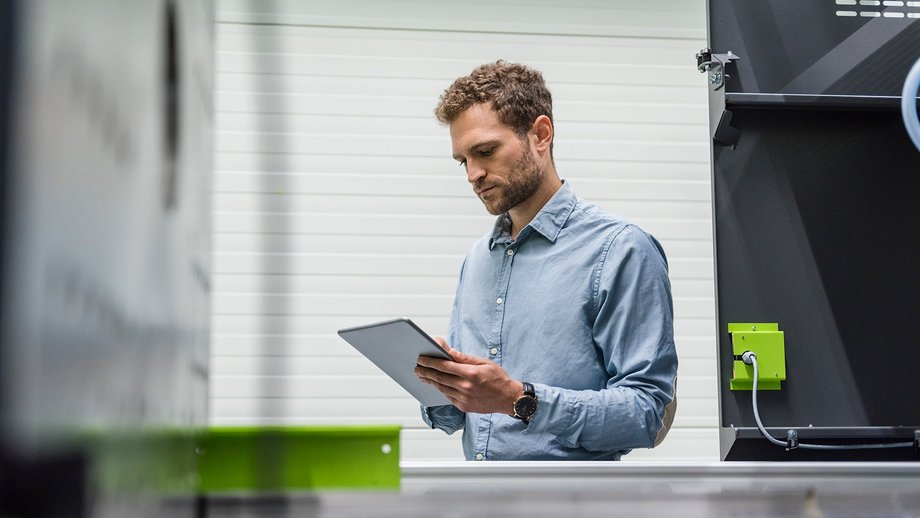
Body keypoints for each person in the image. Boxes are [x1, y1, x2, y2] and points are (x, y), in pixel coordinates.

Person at [414, 60, 677, 461]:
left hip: (569, 494)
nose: (473, 174)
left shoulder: (620, 249)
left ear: (540, 134)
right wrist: (441, 381)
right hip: (479, 492)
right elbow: (461, 416)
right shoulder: (477, 260)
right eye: (463, 161)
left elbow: (647, 414)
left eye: (485, 152)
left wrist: (520, 400)